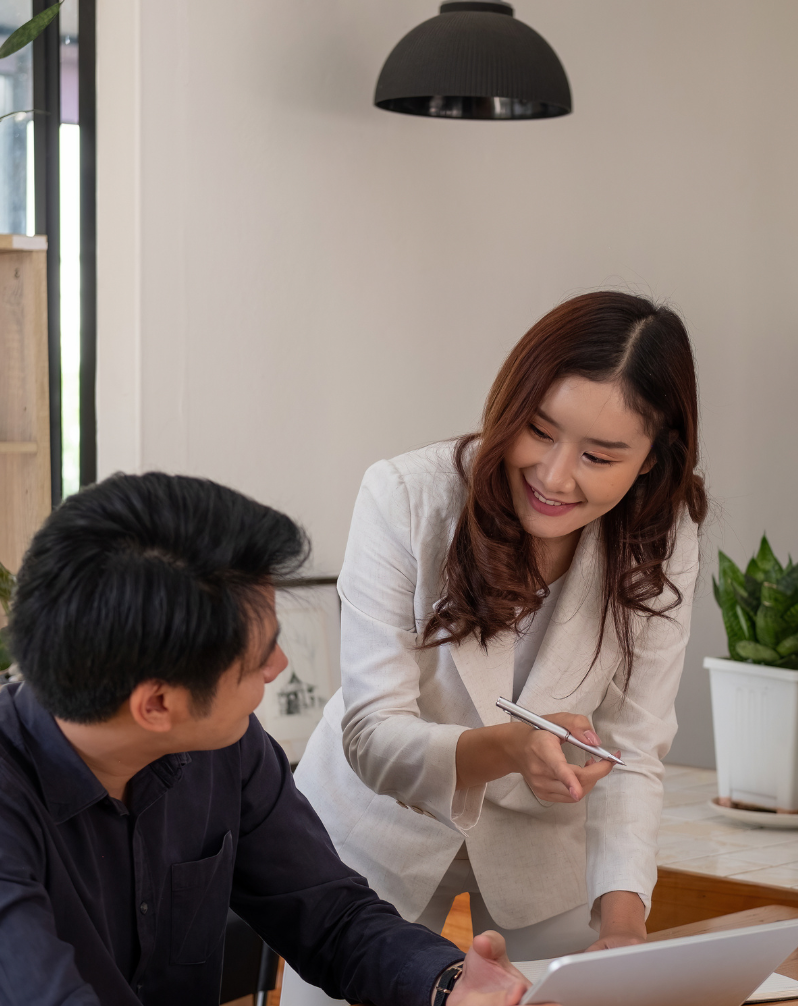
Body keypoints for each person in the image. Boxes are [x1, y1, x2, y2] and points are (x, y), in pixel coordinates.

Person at [0, 473, 549, 1006]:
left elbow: (329, 916)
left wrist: (448, 984)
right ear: (158, 704)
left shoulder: (225, 746)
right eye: (257, 659)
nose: (280, 666)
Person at [296, 291, 707, 977]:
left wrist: (624, 927)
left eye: (600, 456)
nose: (553, 476)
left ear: (653, 461)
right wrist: (513, 748)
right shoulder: (407, 496)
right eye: (540, 431)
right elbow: (372, 735)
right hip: (374, 835)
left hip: (539, 854)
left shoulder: (662, 533)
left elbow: (633, 748)